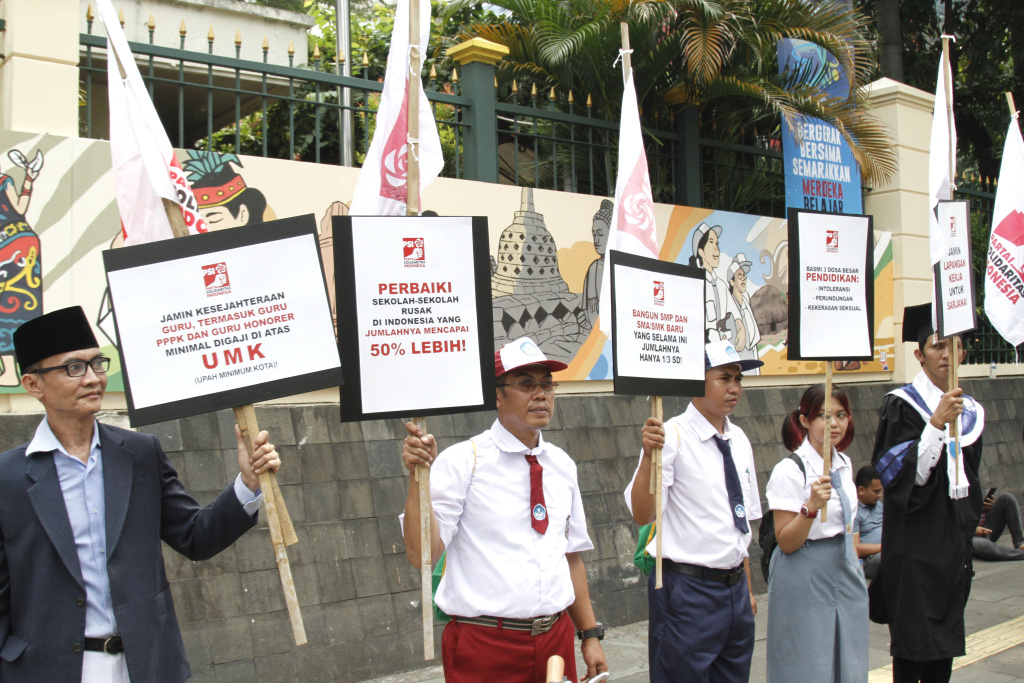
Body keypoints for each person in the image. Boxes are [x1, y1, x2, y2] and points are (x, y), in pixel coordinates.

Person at [0, 306, 281, 682]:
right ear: (34, 385)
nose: (92, 379)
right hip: (47, 669)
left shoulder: (139, 454)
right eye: (73, 368)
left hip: (145, 665)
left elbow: (195, 537)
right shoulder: (8, 477)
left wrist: (247, 483)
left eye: (97, 364)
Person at [400, 337, 608, 683]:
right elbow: (422, 554)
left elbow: (570, 555)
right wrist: (417, 480)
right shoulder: (465, 461)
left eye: (547, 384)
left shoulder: (562, 465)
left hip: (556, 638)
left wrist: (589, 635)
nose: (541, 394)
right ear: (497, 394)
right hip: (485, 644)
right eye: (527, 384)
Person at [625, 340, 762, 683]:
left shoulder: (740, 439)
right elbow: (643, 514)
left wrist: (745, 587)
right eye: (725, 378)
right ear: (695, 381)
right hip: (687, 589)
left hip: (733, 589)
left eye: (739, 379)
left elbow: (740, 523)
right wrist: (647, 457)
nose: (735, 388)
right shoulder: (670, 435)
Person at [871, 303, 985, 683]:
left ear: (964, 352)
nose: (947, 354)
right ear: (919, 355)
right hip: (914, 550)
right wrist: (935, 425)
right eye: (937, 346)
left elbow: (970, 481)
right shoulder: (901, 407)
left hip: (950, 550)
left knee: (944, 655)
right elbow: (902, 480)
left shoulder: (970, 412)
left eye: (954, 345)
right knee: (912, 652)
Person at [765, 385, 868, 682]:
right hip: (804, 572)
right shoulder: (790, 470)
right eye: (823, 415)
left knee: (849, 659)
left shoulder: (845, 463)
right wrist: (810, 508)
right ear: (805, 421)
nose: (834, 423)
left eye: (841, 415)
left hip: (845, 569)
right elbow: (786, 541)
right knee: (806, 664)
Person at [688, 223, 733, 343]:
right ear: (701, 251)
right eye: (711, 242)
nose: (716, 248)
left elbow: (733, 314)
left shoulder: (721, 285)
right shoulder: (694, 285)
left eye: (717, 243)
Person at [726, 253, 760, 373]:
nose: (744, 278)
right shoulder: (728, 308)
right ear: (732, 281)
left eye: (744, 275)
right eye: (739, 275)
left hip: (751, 363)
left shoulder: (746, 304)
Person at [971, 490, 1024, 561]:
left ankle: (1020, 543)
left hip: (986, 526)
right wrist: (973, 530)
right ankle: (1020, 554)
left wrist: (985, 508)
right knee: (986, 547)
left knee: (1007, 498)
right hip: (970, 535)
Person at [852, 465, 884, 580]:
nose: (879, 495)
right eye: (876, 491)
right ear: (861, 490)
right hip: (870, 560)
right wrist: (885, 546)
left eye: (880, 491)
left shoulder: (879, 505)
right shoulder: (854, 513)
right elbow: (856, 548)